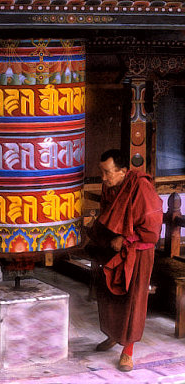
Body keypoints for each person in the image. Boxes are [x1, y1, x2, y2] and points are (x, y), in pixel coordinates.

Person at [84, 149, 163, 372]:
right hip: (115, 247)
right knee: (109, 293)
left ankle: (128, 351)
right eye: (102, 172)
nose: (103, 178)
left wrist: (127, 237)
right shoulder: (110, 186)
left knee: (133, 299)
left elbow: (152, 228)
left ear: (123, 171)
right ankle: (112, 335)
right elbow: (110, 217)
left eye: (107, 173)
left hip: (138, 250)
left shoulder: (141, 186)